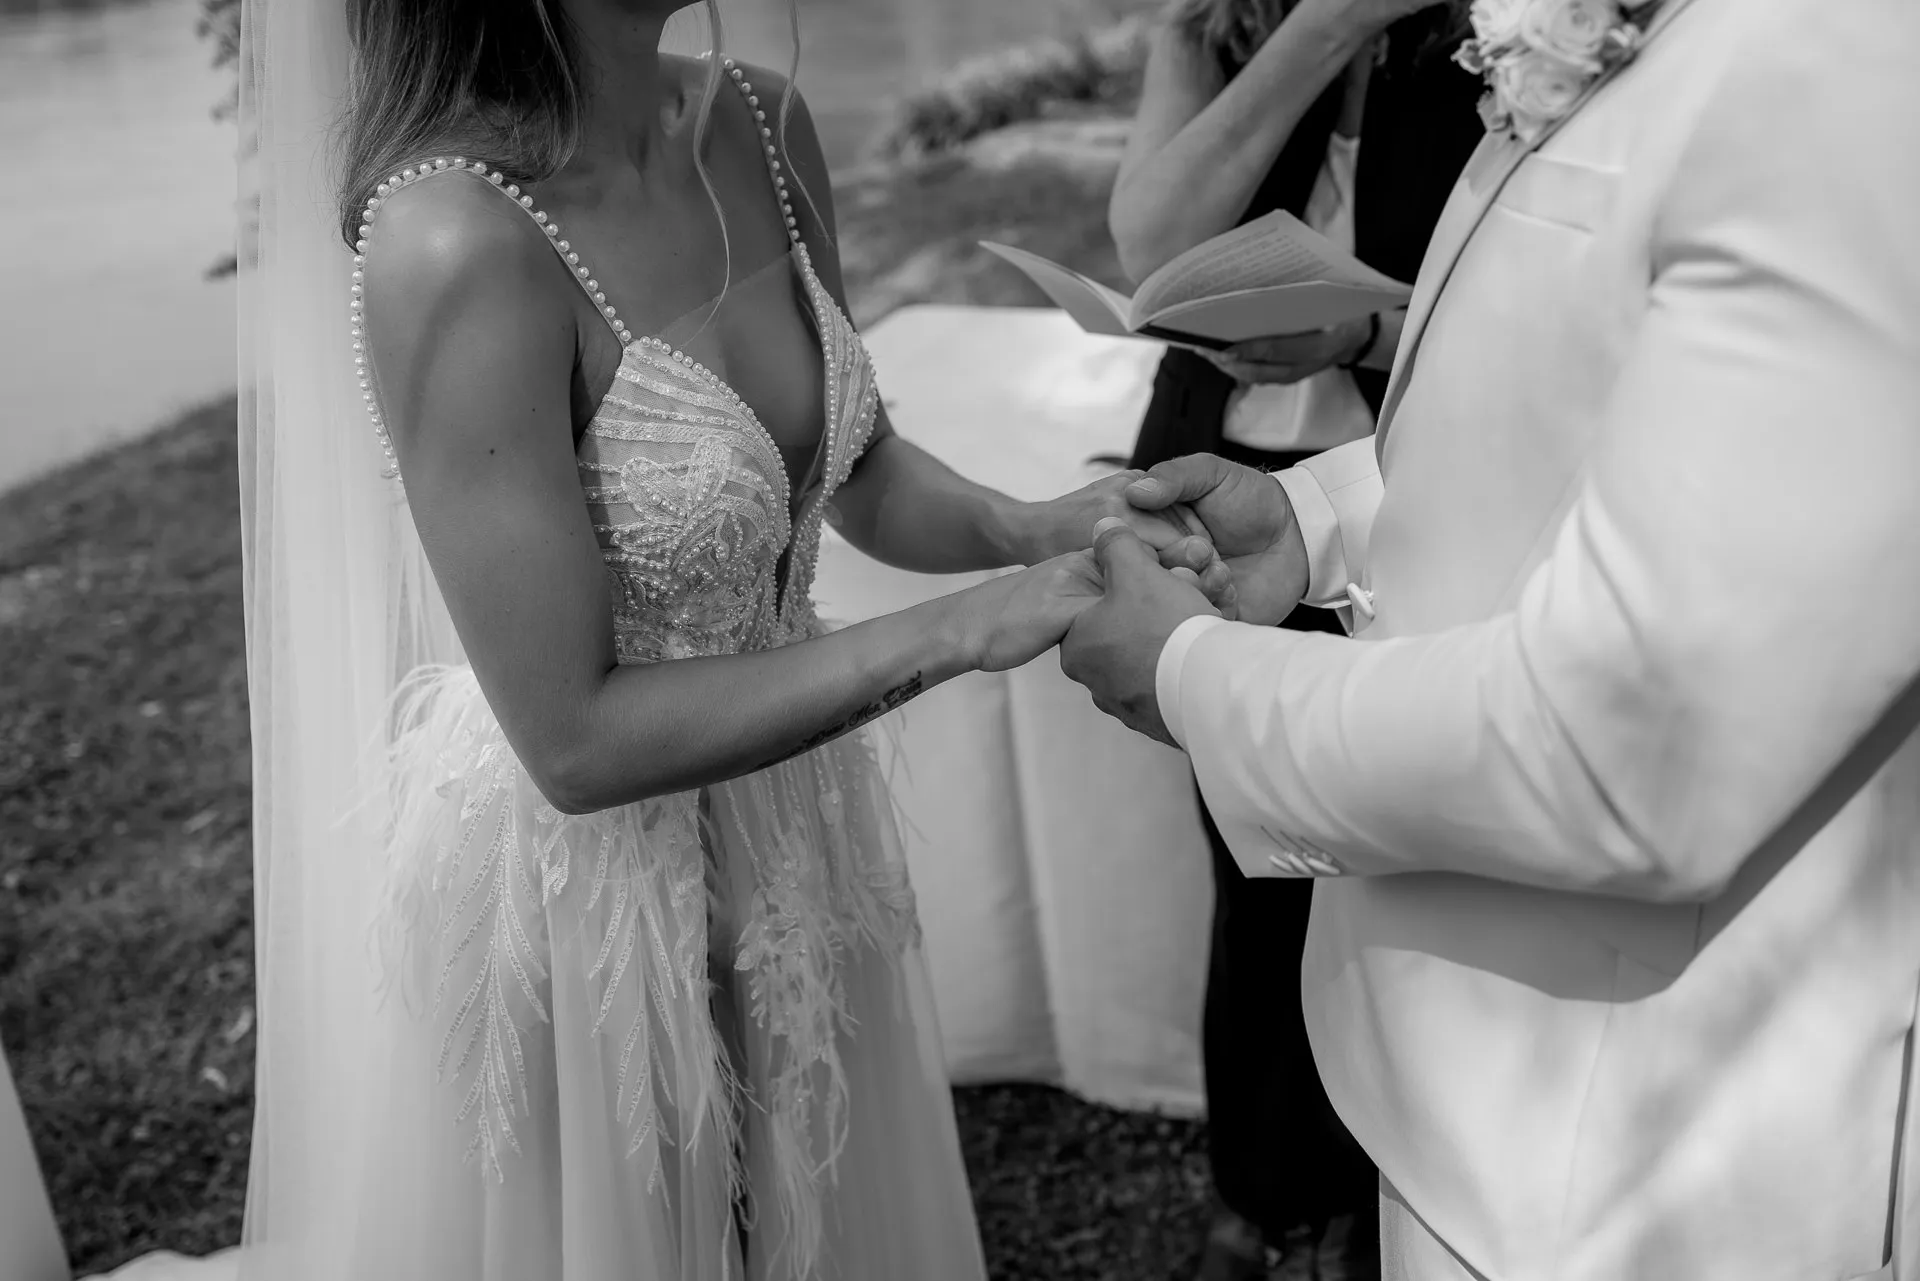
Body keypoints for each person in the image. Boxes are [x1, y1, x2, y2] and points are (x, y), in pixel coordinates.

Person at [232, 0, 1230, 1277]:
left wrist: (1027, 525)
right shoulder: (453, 235)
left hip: (796, 803)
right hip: (595, 888)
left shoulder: (759, 117)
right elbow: (575, 743)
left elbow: (851, 470)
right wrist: (967, 629)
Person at [1060, 0, 1920, 1276]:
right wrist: (1318, 520)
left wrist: (1196, 677)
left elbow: (1629, 752)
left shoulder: (1829, 64)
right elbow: (1579, 400)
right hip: (1475, 1086)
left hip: (1632, 1148)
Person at [1107, 0, 1482, 1273]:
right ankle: (1269, 1189)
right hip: (1221, 471)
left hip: (1423, 471)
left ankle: (1407, 1179)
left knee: (1416, 842)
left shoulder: (1519, 28)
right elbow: (1149, 240)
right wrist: (1318, 31)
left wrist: (1364, 333)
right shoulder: (1221, 18)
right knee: (1253, 858)